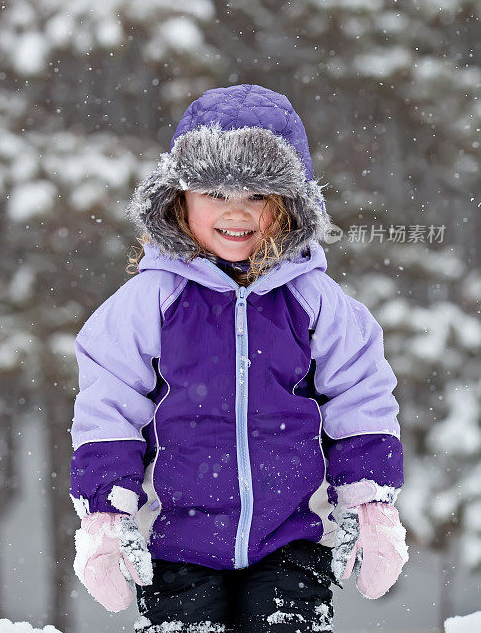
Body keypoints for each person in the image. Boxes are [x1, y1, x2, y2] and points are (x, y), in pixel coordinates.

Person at [69, 84, 409, 633]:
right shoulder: (150, 301)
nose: (235, 211)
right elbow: (109, 404)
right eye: (213, 193)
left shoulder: (314, 301)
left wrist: (370, 501)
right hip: (175, 540)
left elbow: (361, 394)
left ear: (288, 205)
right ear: (179, 200)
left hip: (293, 537)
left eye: (256, 194)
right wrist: (107, 511)